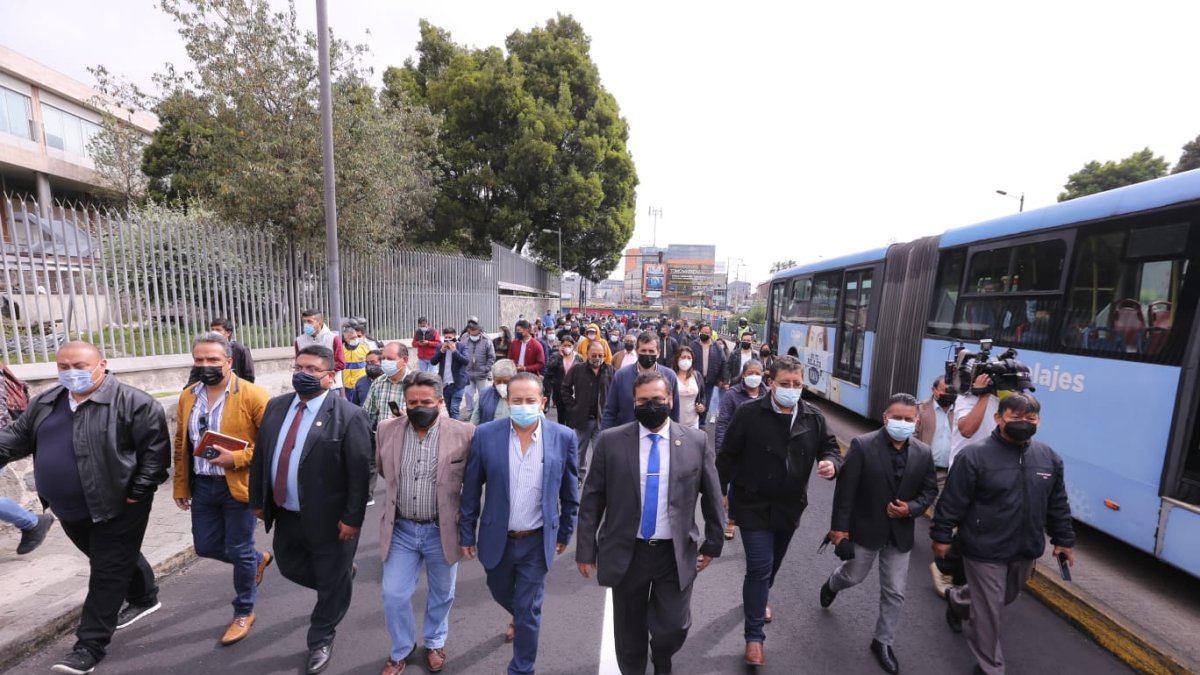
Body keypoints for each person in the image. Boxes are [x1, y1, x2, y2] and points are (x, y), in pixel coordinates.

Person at [0, 341, 170, 675]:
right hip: (69, 508)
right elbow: (15, 439)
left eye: (79, 366)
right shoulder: (47, 402)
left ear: (101, 365)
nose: (71, 372)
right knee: (111, 558)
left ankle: (89, 646)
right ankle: (144, 596)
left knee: (106, 572)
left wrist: (138, 491)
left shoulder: (135, 403)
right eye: (63, 366)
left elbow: (155, 455)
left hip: (119, 506)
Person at [576, 371, 725, 675]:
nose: (651, 405)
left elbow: (712, 494)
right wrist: (585, 549)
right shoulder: (611, 441)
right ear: (633, 403)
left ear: (670, 400)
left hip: (674, 553)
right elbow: (592, 497)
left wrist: (713, 542)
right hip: (628, 551)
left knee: (673, 626)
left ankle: (662, 656)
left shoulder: (695, 441)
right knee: (629, 630)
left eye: (657, 399)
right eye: (643, 401)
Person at [249, 345, 372, 675]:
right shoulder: (276, 407)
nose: (302, 374)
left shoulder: (349, 416)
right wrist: (258, 500)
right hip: (286, 512)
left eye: (312, 369)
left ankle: (321, 637)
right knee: (289, 566)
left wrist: (353, 519)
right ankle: (340, 581)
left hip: (331, 520)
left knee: (330, 582)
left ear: (330, 377)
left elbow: (360, 474)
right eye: (298, 367)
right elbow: (262, 456)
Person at [933, 393, 1074, 675]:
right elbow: (952, 500)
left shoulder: (1049, 459)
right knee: (989, 610)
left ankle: (958, 601)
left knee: (1003, 597)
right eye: (1016, 417)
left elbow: (1057, 503)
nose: (1024, 423)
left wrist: (1064, 540)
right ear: (999, 418)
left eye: (1030, 418)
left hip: (1024, 548)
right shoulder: (974, 456)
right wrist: (942, 534)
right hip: (983, 548)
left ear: (1039, 421)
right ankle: (991, 667)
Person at [717, 355, 841, 666]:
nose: (791, 389)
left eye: (797, 384)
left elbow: (830, 448)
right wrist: (719, 490)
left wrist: (831, 463)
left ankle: (758, 599)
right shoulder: (748, 413)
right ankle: (754, 637)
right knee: (759, 567)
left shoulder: (813, 417)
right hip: (752, 503)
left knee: (772, 567)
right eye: (785, 383)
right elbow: (728, 455)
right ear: (770, 383)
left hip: (789, 506)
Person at [459, 373, 579, 675]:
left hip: (537, 540)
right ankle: (522, 616)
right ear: (508, 402)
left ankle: (522, 667)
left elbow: (570, 492)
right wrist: (466, 533)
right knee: (499, 590)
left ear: (543, 402)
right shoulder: (485, 435)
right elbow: (471, 489)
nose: (523, 405)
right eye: (517, 400)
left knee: (528, 607)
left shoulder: (563, 437)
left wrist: (565, 531)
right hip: (497, 537)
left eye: (530, 400)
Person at [821, 394, 939, 675]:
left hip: (900, 534)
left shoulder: (923, 453)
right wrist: (839, 530)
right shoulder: (862, 445)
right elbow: (845, 492)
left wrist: (911, 508)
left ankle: (882, 641)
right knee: (853, 576)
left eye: (908, 419)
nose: (902, 422)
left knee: (895, 591)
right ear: (886, 418)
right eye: (897, 417)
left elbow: (929, 490)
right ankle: (833, 584)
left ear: (916, 422)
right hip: (866, 529)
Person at [172, 332, 273, 646]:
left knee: (239, 549)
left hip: (238, 486)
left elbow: (272, 443)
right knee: (205, 547)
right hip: (203, 485)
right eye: (199, 360)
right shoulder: (188, 396)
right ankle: (256, 560)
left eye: (213, 359)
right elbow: (181, 442)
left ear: (229, 361)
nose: (205, 365)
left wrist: (238, 458)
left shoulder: (253, 395)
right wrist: (180, 484)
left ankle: (244, 611)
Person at [377, 372, 475, 675]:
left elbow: (472, 485)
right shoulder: (386, 430)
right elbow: (384, 471)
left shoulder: (465, 433)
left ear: (440, 402)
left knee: (442, 593)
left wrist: (469, 532)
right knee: (393, 594)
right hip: (401, 530)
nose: (419, 407)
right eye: (412, 402)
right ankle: (401, 649)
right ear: (405, 402)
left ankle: (435, 641)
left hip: (442, 530)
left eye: (426, 402)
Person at [715, 360, 767, 542]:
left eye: (758, 373)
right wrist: (721, 449)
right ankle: (731, 520)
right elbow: (722, 422)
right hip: (738, 451)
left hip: (761, 452)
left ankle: (756, 519)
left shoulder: (769, 394)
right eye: (750, 373)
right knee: (736, 485)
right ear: (743, 375)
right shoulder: (732, 395)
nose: (754, 376)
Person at [363, 342, 413, 505]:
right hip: (383, 439)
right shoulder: (378, 383)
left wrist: (410, 417)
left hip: (409, 440)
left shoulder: (417, 382)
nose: (385, 362)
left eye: (390, 359)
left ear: (404, 360)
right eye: (383, 358)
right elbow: (368, 413)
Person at [601, 332, 681, 430]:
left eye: (651, 351)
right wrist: (604, 436)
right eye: (643, 350)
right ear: (636, 351)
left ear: (658, 353)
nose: (647, 354)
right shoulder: (621, 376)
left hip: (658, 435)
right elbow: (610, 411)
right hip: (626, 434)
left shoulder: (669, 376)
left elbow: (675, 411)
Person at [561, 340, 612, 481]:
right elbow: (565, 388)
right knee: (579, 452)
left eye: (600, 355)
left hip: (602, 420)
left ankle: (598, 480)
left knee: (601, 452)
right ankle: (578, 477)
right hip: (582, 419)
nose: (597, 358)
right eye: (594, 355)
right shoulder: (577, 369)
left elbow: (615, 392)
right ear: (587, 354)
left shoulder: (610, 370)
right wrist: (573, 407)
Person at [950, 373, 999, 468]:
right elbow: (966, 430)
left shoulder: (997, 401)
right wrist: (984, 394)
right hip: (965, 467)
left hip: (990, 468)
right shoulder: (965, 398)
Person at [295, 310, 346, 391]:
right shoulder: (299, 341)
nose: (306, 324)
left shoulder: (333, 338)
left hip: (330, 386)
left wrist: (319, 373)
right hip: (307, 386)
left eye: (309, 321)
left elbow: (340, 363)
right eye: (304, 321)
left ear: (320, 322)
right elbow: (298, 363)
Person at [461, 316, 496, 422]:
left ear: (479, 332)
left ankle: (483, 413)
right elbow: (461, 355)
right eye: (471, 333)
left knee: (483, 395)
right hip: (468, 374)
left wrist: (486, 368)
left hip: (482, 374)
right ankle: (470, 413)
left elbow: (491, 357)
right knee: (468, 394)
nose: (473, 335)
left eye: (475, 333)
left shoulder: (487, 341)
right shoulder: (465, 341)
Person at [690, 325, 726, 428]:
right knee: (695, 402)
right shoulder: (693, 345)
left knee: (706, 402)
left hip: (710, 381)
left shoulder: (717, 347)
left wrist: (721, 379)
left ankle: (701, 423)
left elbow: (723, 362)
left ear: (710, 334)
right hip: (695, 380)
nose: (704, 334)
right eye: (702, 332)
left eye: (706, 332)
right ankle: (693, 422)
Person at [430, 327, 468, 421]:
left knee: (454, 408)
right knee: (449, 407)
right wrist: (442, 351)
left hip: (458, 383)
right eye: (446, 338)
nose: (448, 340)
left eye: (450, 337)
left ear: (455, 337)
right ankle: (452, 423)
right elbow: (433, 362)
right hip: (445, 384)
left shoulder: (461, 346)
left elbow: (466, 361)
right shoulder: (440, 347)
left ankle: (456, 428)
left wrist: (454, 351)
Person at [470, 359, 516, 425]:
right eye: (498, 381)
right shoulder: (485, 394)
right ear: (494, 379)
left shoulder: (521, 396)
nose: (502, 385)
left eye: (506, 382)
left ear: (513, 379)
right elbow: (474, 420)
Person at [210, 318, 256, 383]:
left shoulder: (240, 349)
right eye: (212, 330)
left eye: (218, 330)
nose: (214, 333)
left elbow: (249, 376)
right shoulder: (208, 350)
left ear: (228, 333)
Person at [545, 334, 580, 415]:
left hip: (573, 391)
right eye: (565, 345)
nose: (567, 347)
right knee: (561, 414)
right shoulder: (555, 356)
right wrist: (560, 356)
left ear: (573, 346)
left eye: (569, 345)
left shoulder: (578, 357)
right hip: (559, 391)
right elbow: (550, 369)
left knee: (572, 415)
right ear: (561, 345)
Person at [673, 346, 706, 430]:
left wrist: (702, 406)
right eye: (683, 357)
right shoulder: (671, 376)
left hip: (693, 422)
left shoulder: (697, 375)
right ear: (677, 359)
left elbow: (702, 395)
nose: (686, 360)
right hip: (675, 423)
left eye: (689, 358)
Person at [341, 324, 372, 404]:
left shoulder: (364, 347)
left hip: (361, 385)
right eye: (352, 338)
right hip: (347, 386)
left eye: (355, 337)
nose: (355, 339)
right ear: (346, 339)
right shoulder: (341, 349)